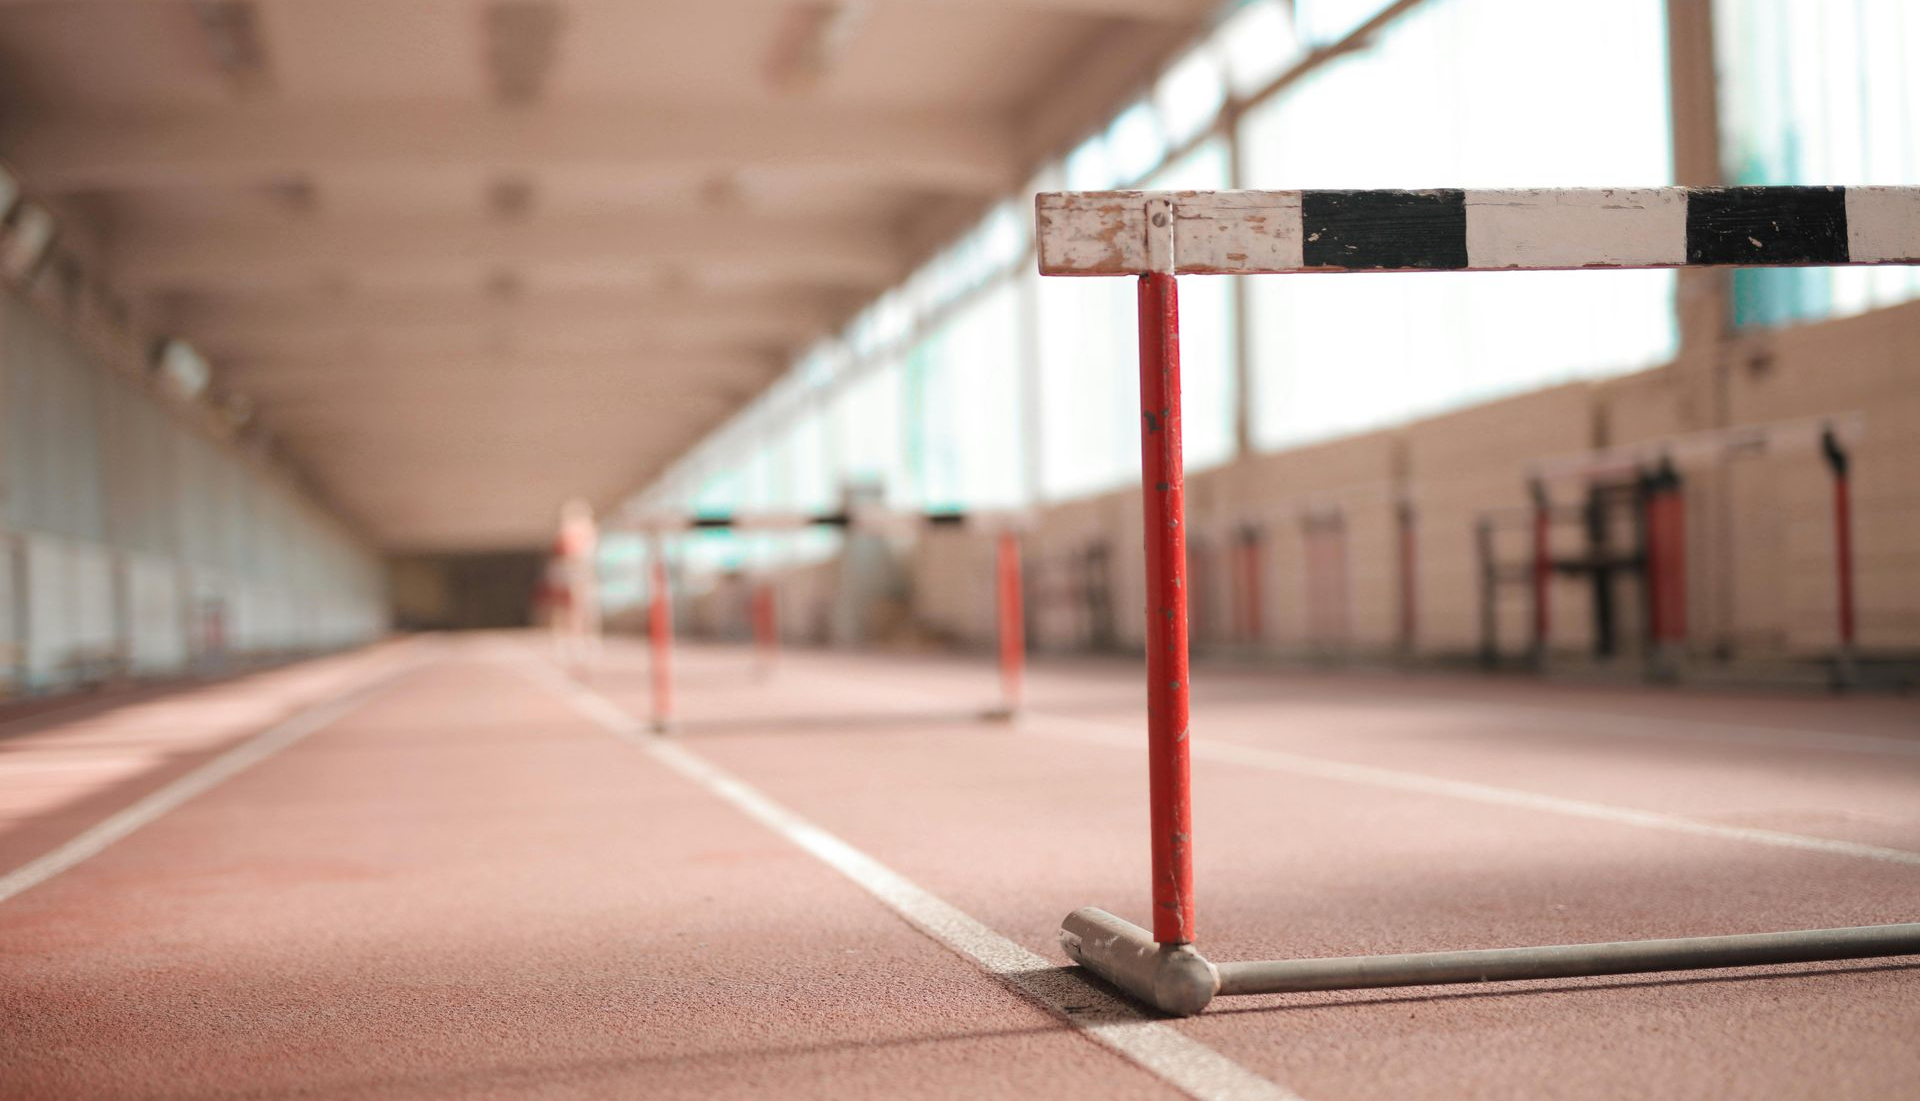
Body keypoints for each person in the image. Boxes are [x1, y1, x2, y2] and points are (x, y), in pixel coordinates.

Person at [548, 497, 602, 667]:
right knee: (568, 611)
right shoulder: (564, 533)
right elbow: (563, 554)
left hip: (585, 573)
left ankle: (589, 641)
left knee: (588, 610)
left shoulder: (591, 530)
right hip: (569, 573)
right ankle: (570, 641)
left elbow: (590, 552)